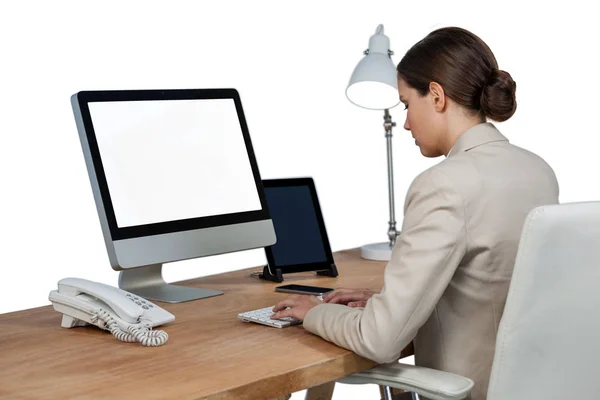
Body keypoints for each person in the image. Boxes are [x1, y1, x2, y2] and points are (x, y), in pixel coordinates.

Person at [271, 26, 559, 400]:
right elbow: (491, 287)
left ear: (436, 96)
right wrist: (384, 302)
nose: (405, 122)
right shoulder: (538, 171)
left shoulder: (444, 184)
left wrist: (313, 311)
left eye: (407, 104)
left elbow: (378, 341)